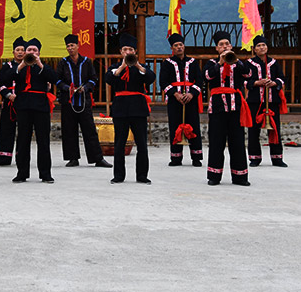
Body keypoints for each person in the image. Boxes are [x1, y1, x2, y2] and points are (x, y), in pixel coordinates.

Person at [202, 31, 253, 186]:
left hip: (236, 106)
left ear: (231, 46)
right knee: (216, 140)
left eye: (227, 44)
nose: (224, 47)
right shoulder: (211, 63)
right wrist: (220, 62)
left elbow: (249, 74)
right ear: (217, 49)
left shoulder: (238, 63)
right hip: (217, 106)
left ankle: (240, 176)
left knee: (237, 140)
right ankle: (214, 176)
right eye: (221, 45)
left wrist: (236, 61)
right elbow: (207, 77)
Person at [104, 33, 156, 184]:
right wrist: (122, 67)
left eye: (131, 50)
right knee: (119, 144)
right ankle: (119, 176)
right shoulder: (115, 68)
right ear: (121, 52)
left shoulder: (142, 68)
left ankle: (142, 176)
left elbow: (151, 78)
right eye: (125, 49)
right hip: (120, 109)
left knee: (142, 144)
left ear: (135, 52)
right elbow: (109, 79)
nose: (128, 52)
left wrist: (137, 64)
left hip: (138, 109)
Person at [55, 34, 111, 168]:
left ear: (77, 46)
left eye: (72, 45)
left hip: (84, 101)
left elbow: (93, 79)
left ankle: (97, 159)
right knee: (69, 130)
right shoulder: (63, 62)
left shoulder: (86, 61)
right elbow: (57, 80)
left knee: (89, 130)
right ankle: (73, 158)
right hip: (68, 101)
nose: (70, 48)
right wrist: (67, 88)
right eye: (68, 46)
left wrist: (85, 88)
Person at [12, 38, 58, 184]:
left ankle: (45, 174)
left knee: (43, 141)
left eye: (35, 51)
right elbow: (5, 78)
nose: (32, 52)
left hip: (41, 107)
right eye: (29, 50)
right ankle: (21, 173)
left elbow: (55, 78)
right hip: (23, 106)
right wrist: (21, 65)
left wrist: (39, 64)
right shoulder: (18, 66)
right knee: (22, 141)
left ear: (39, 52)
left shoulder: (44, 66)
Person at [159, 33, 204, 167]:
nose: (179, 47)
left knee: (194, 125)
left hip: (191, 98)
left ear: (184, 46)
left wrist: (191, 94)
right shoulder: (167, 63)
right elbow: (163, 82)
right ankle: (176, 157)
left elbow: (199, 80)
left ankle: (196, 157)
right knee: (174, 125)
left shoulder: (193, 62)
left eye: (181, 45)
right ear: (172, 48)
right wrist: (175, 94)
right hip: (175, 99)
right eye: (176, 46)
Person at [245, 35, 288, 168]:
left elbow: (282, 78)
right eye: (259, 46)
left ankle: (277, 158)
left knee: (275, 129)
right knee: (253, 129)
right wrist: (257, 83)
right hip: (255, 101)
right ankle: (254, 157)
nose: (262, 47)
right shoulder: (249, 64)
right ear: (254, 49)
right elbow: (245, 81)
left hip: (272, 100)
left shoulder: (274, 63)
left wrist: (274, 83)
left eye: (263, 45)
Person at [0, 37, 25, 166]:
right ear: (13, 52)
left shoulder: (28, 66)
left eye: (23, 50)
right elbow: (0, 83)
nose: (20, 53)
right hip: (9, 101)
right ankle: (3, 158)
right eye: (17, 50)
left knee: (23, 130)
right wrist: (8, 94)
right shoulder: (7, 66)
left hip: (23, 101)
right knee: (6, 129)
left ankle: (21, 158)